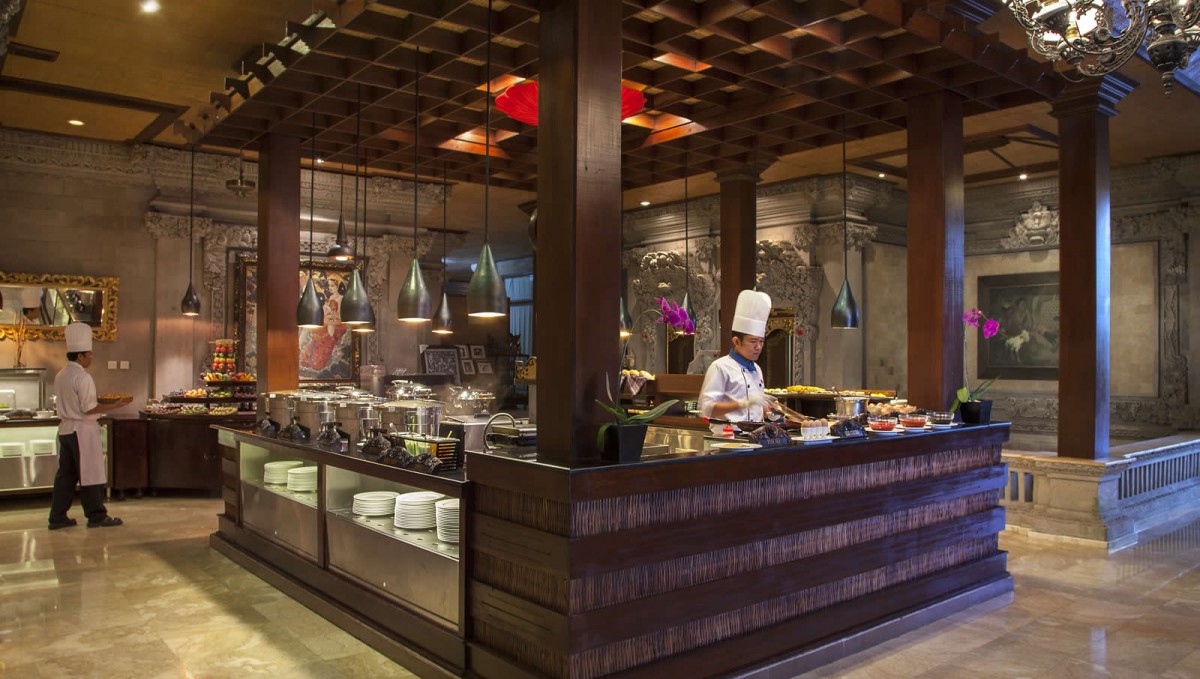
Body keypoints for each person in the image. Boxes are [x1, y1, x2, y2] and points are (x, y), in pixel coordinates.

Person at [48, 322, 130, 530]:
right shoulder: (82, 377)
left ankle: (57, 517)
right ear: (80, 356)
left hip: (66, 430)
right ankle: (96, 515)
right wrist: (115, 405)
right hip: (81, 431)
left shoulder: (61, 375)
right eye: (89, 354)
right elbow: (88, 408)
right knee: (91, 472)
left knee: (66, 476)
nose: (92, 357)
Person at [699, 290, 779, 433]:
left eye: (761, 341)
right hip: (727, 437)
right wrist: (743, 404)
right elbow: (707, 409)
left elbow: (757, 408)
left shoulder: (757, 369)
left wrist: (771, 412)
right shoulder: (720, 367)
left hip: (755, 437)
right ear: (736, 341)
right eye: (753, 341)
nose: (758, 347)